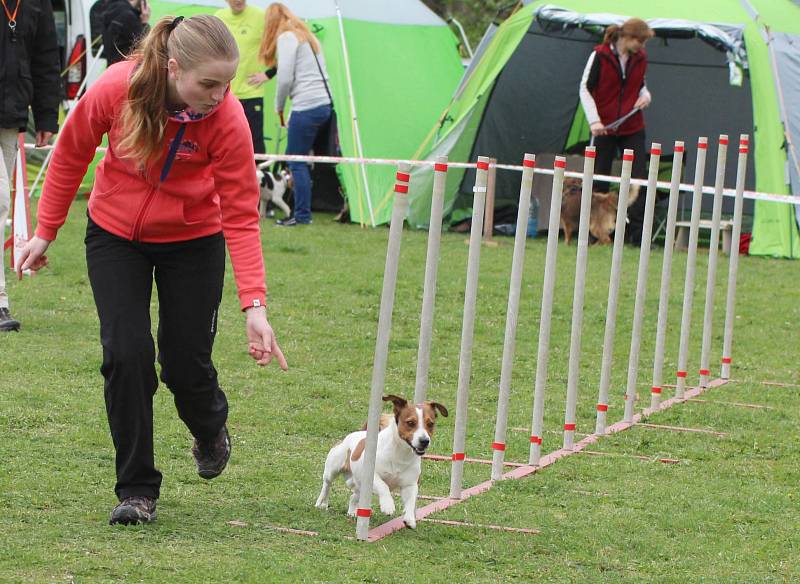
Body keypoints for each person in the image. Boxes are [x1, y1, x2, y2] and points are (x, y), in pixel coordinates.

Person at [16, 14, 288, 525]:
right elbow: (71, 154)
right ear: (172, 66)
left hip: (194, 240)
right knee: (127, 354)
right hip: (115, 235)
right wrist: (45, 231)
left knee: (184, 366)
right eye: (208, 83)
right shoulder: (117, 87)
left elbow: (242, 213)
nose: (219, 94)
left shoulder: (226, 118)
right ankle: (137, 490)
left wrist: (254, 305)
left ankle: (210, 427)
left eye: (227, 84)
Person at [0, 0, 61, 332]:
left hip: (10, 116)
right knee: (0, 202)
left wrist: (47, 114)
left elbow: (45, 58)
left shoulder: (37, 3)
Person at [579, 17, 654, 246]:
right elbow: (585, 88)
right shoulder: (600, 55)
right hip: (603, 128)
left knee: (638, 180)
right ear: (627, 38)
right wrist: (594, 121)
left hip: (631, 125)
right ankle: (594, 234)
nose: (642, 47)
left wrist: (645, 95)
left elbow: (640, 84)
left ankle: (637, 234)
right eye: (640, 41)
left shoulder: (640, 58)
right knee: (599, 179)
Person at [256, 2, 332, 227]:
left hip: (306, 106)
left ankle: (301, 215)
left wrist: (278, 106)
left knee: (295, 161)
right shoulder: (307, 36)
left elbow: (286, 78)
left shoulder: (287, 37)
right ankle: (301, 210)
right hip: (324, 105)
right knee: (301, 160)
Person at [216, 0, 272, 156]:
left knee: (255, 142)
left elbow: (278, 44)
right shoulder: (219, 17)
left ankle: (258, 179)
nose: (238, 1)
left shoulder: (260, 16)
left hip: (252, 93)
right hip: (225, 95)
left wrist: (269, 73)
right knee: (225, 141)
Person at [103, 0, 151, 64]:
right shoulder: (129, 17)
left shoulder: (111, 10)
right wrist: (145, 22)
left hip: (112, 66)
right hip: (126, 68)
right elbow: (145, 45)